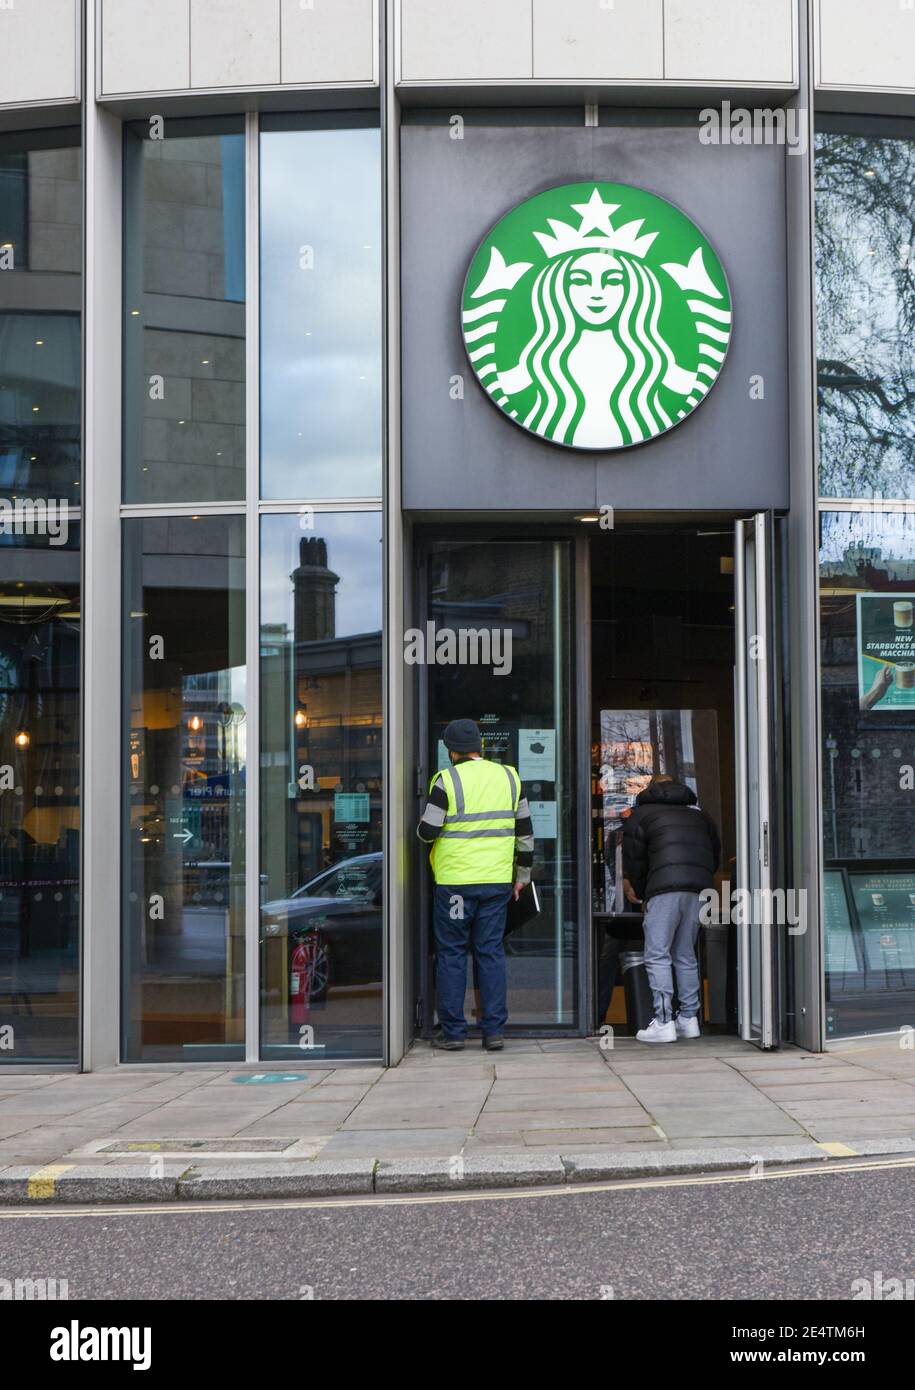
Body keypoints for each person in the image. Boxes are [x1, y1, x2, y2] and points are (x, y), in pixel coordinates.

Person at [417, 718, 534, 1052]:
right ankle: (493, 1031)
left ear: (450, 751)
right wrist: (522, 877)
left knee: (453, 953)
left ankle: (453, 1033)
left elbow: (428, 832)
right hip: (497, 882)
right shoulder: (510, 777)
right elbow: (525, 835)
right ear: (480, 747)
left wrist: (419, 826)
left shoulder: (445, 780)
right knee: (490, 953)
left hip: (455, 883)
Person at [622, 773, 720, 1044]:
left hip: (664, 889)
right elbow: (715, 852)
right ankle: (689, 1020)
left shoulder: (642, 814)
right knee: (685, 954)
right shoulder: (700, 815)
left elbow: (635, 859)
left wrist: (642, 892)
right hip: (698, 888)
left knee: (657, 954)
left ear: (651, 790)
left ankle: (663, 1022)